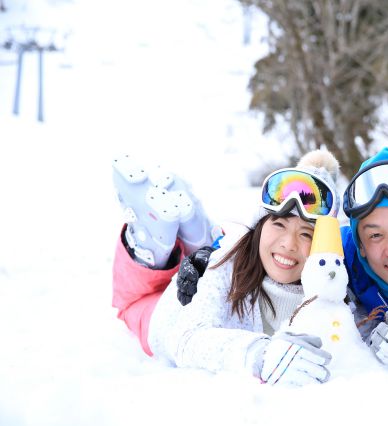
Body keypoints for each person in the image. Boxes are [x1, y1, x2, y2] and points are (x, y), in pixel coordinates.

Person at [178, 145, 388, 367]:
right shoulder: (342, 250)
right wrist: (216, 258)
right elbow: (286, 247)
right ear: (357, 238)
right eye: (374, 234)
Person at [111, 150, 344, 386]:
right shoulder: (228, 266)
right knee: (130, 302)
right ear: (259, 227)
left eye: (306, 233)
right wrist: (260, 355)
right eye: (279, 224)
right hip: (163, 317)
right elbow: (185, 339)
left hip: (203, 275)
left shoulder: (332, 289)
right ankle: (148, 245)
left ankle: (194, 233)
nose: (288, 243)